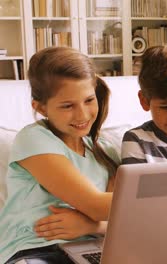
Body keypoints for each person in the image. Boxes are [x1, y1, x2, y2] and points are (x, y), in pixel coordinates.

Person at [0, 47, 119, 264]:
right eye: (67, 106)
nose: (82, 115)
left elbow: (119, 218)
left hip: (91, 249)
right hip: (34, 250)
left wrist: (92, 226)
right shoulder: (34, 139)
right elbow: (96, 206)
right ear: (41, 107)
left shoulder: (105, 150)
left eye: (89, 100)